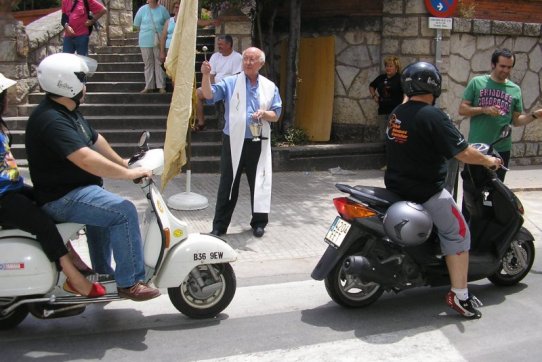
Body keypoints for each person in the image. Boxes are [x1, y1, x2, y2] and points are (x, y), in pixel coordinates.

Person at [25, 53, 160, 302]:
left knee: (105, 211)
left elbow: (95, 139)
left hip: (76, 190)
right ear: (67, 83)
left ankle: (104, 275)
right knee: (123, 211)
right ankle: (130, 282)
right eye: (82, 79)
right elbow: (85, 158)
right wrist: (127, 174)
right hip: (62, 197)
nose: (85, 85)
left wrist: (122, 161)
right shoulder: (51, 120)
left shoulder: (67, 111)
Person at [384, 62, 502, 319]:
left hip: (396, 186)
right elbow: (463, 152)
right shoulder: (432, 116)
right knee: (459, 233)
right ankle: (460, 296)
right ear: (435, 86)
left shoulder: (398, 112)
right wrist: (488, 161)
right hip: (426, 191)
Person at [0, 73, 105, 298]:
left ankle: (72, 258)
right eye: (4, 95)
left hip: (12, 190)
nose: (7, 99)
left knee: (49, 200)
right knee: (42, 224)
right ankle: (73, 278)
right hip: (3, 198)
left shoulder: (1, 127)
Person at [201, 47, 282, 238]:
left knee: (259, 181)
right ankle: (219, 226)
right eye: (245, 59)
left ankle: (259, 222)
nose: (247, 62)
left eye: (252, 59)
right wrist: (205, 76)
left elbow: (276, 114)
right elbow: (209, 95)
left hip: (258, 141)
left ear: (260, 63)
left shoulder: (269, 86)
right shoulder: (231, 82)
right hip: (233, 141)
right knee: (227, 183)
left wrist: (264, 114)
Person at [459, 48, 542, 181]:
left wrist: (534, 115)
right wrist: (483, 109)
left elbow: (516, 120)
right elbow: (462, 109)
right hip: (478, 148)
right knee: (472, 191)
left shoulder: (515, 90)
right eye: (502, 66)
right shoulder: (477, 83)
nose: (506, 70)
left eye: (509, 67)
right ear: (493, 64)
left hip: (501, 149)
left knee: (496, 193)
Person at [195, 35, 243, 131]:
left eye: (221, 44)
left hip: (228, 88)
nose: (219, 46)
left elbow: (237, 78)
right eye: (218, 44)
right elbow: (211, 75)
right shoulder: (215, 56)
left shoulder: (237, 57)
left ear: (229, 44)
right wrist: (212, 88)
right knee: (197, 93)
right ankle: (201, 122)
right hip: (215, 87)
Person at [133, 0, 170, 94]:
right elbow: (136, 25)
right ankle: (149, 86)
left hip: (159, 41)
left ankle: (161, 86)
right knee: (148, 64)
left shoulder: (163, 10)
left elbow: (168, 24)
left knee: (159, 63)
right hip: (145, 41)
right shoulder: (142, 10)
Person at [369, 56, 405, 140]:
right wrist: (374, 96)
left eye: (390, 66)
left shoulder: (400, 79)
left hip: (395, 113)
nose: (388, 68)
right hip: (382, 111)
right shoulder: (381, 78)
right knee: (383, 137)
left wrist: (404, 105)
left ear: (396, 68)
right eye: (386, 66)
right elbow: (371, 86)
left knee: (394, 137)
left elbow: (406, 93)